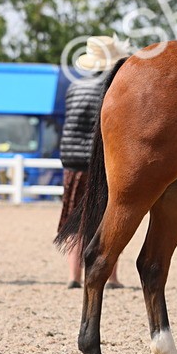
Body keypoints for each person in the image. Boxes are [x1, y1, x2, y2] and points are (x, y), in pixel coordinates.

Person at [59, 36, 131, 289]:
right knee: (108, 218)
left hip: (71, 160)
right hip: (99, 161)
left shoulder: (73, 88)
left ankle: (73, 276)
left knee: (74, 218)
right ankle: (111, 277)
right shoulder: (112, 87)